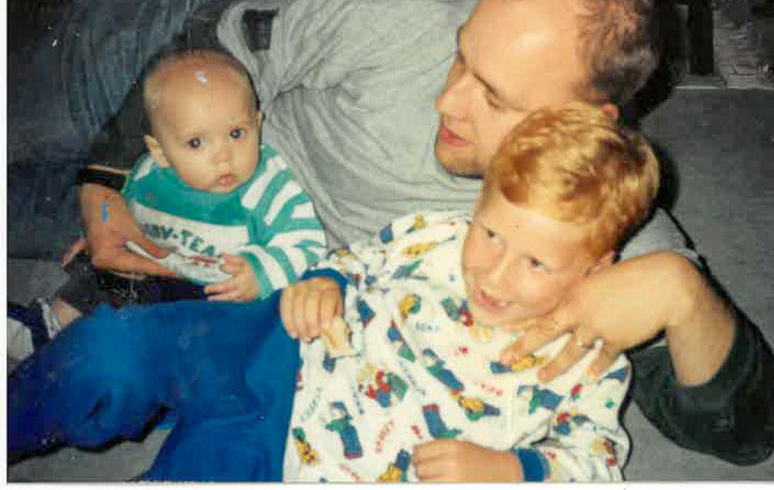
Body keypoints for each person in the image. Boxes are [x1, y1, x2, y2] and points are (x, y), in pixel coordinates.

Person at [8, 0, 774, 468]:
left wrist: (681, 295)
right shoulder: (394, 4)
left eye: (494, 96)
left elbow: (746, 431)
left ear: (588, 126)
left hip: (242, 266)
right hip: (212, 106)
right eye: (462, 55)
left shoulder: (598, 219)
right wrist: (105, 183)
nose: (445, 99)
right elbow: (214, 43)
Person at [10, 102, 661, 482]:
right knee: (106, 351)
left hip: (289, 455)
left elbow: (597, 458)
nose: (493, 273)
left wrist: (517, 470)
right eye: (490, 232)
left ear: (597, 267)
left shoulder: (591, 356)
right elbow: (358, 256)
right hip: (271, 344)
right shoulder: (437, 234)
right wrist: (326, 279)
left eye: (537, 264)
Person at [8, 48, 329, 359]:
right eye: (196, 142)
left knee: (210, 336)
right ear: (160, 151)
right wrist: (98, 232)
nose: (223, 155)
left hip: (215, 295)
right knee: (100, 278)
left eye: (236, 133)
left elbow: (307, 242)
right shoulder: (149, 174)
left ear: (257, 125)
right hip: (153, 267)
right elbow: (122, 215)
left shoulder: (269, 185)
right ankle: (50, 326)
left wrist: (261, 272)